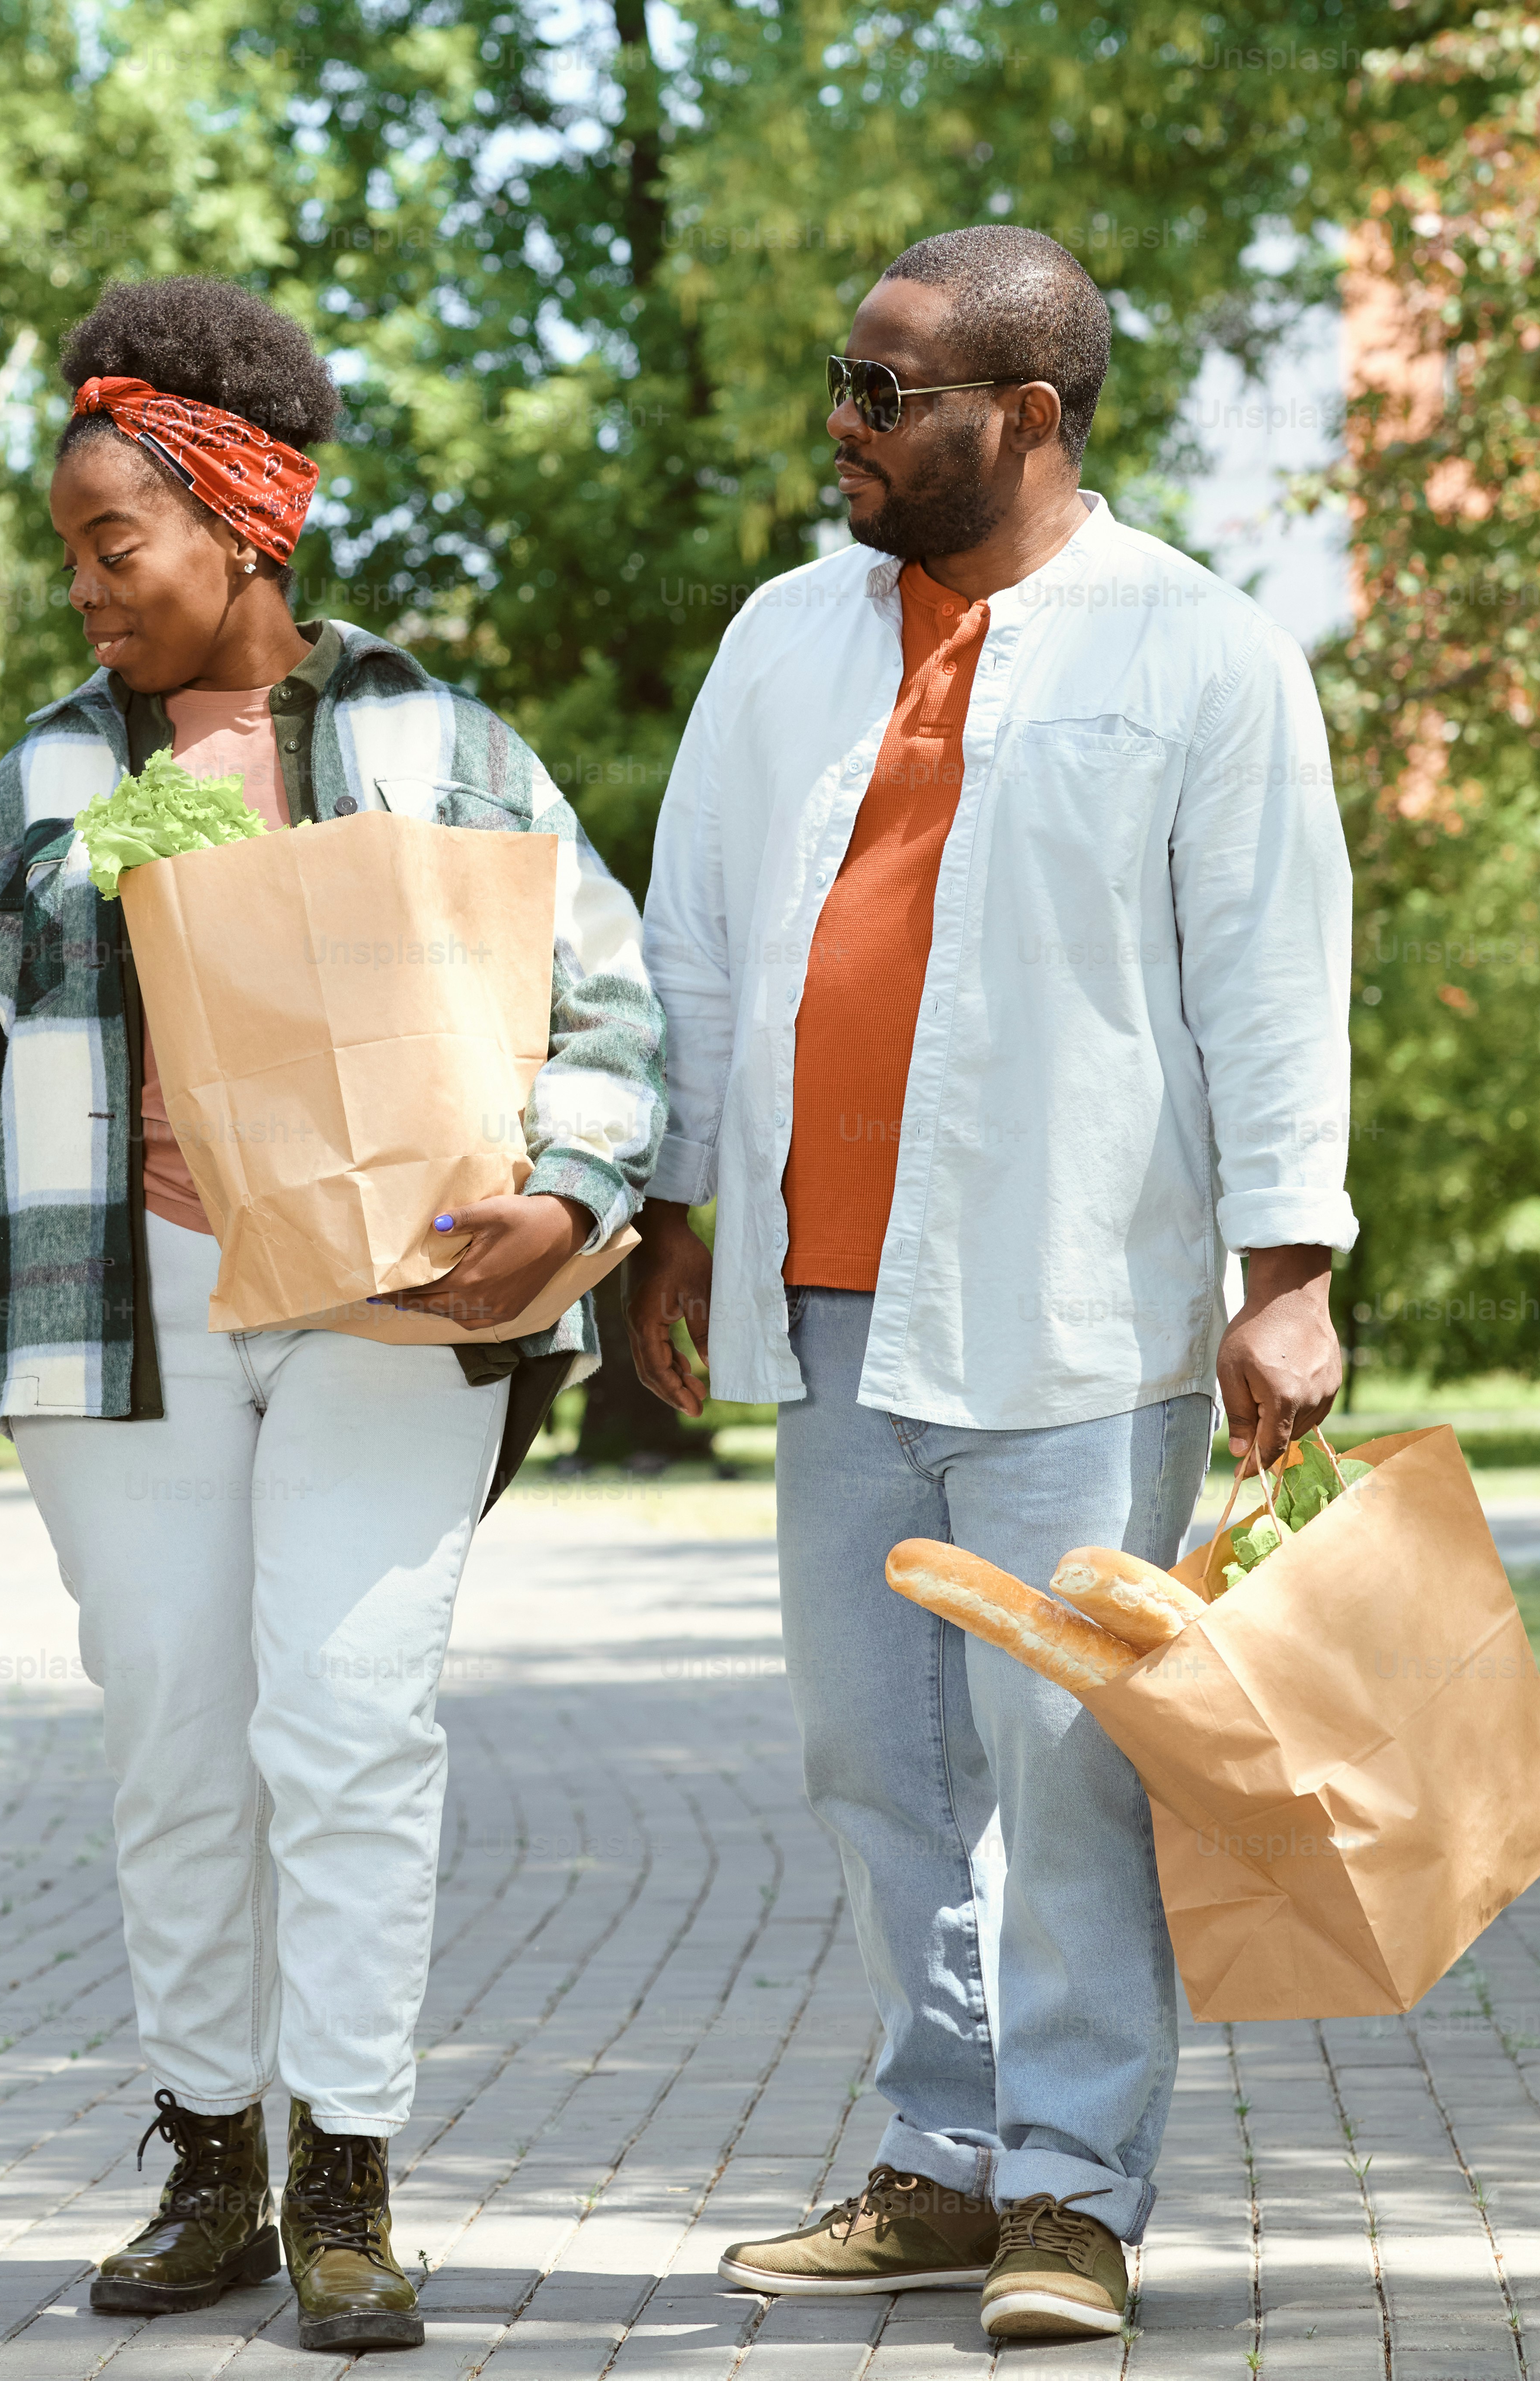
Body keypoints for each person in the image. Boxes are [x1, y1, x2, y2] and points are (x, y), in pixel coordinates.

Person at [0, 277, 663, 2355]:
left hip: (396, 1303)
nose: (89, 590)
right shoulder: (34, 783)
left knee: (354, 1721)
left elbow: (617, 1008)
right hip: (125, 1315)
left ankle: (350, 2176)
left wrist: (567, 1183)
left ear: (241, 518)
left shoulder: (453, 747)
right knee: (182, 1737)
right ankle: (210, 2150)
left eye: (118, 546)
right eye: (71, 557)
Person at [626, 227, 1356, 2344]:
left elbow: (1275, 986)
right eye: (841, 386)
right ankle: (941, 2157)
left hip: (1078, 1306)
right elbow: (690, 938)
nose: (840, 430)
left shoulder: (1202, 654)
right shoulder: (783, 637)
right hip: (827, 1306)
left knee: (1069, 1765)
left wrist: (1286, 1269)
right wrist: (674, 1211)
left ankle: (1072, 2190)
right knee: (878, 1760)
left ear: (1025, 417)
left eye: (884, 395)